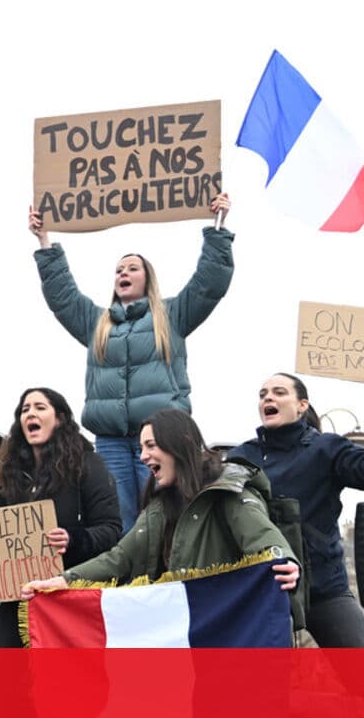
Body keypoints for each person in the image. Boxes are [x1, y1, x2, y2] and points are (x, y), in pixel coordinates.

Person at [29, 195, 234, 534]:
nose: (123, 272)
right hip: (110, 440)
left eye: (132, 268)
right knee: (119, 520)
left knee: (166, 511)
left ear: (147, 279)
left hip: (161, 436)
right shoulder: (97, 324)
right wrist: (44, 241)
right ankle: (126, 585)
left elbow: (209, 285)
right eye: (118, 270)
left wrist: (218, 227)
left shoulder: (171, 316)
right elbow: (63, 296)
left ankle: (167, 581)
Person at [21, 408, 299, 610]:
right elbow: (119, 558)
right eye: (141, 447)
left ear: (181, 444)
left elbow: (267, 542)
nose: (143, 457)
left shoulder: (230, 492)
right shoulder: (158, 508)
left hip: (223, 634)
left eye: (151, 446)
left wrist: (286, 563)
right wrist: (63, 580)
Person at [0, 387, 121, 647]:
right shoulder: (10, 477)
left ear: (60, 419)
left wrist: (73, 538)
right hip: (18, 603)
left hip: (68, 602)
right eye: (25, 409)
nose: (30, 413)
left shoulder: (88, 465)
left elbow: (111, 530)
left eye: (40, 407)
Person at [228, 371, 364, 647]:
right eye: (263, 395)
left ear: (302, 405)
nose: (268, 398)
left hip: (324, 588)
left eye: (279, 392)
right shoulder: (241, 459)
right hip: (262, 590)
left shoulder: (326, 448)